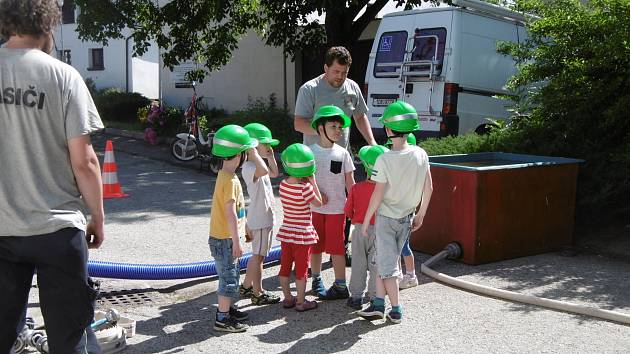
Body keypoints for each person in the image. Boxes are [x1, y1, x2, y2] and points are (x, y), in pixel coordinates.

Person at [0, 1, 105, 352]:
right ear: (49, 24)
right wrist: (98, 218)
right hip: (58, 231)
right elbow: (85, 161)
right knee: (69, 338)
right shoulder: (63, 76)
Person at [357, 101, 433, 324]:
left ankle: (396, 309)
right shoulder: (421, 154)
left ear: (388, 130)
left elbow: (377, 194)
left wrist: (365, 221)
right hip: (408, 218)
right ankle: (378, 304)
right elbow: (429, 187)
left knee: (388, 268)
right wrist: (421, 214)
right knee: (385, 261)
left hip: (386, 219)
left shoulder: (384, 159)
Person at [208, 124, 258, 333]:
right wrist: (236, 242)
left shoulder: (227, 176)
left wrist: (244, 227)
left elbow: (237, 210)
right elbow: (229, 213)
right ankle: (222, 318)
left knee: (231, 275)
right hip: (225, 239)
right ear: (239, 155)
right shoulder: (229, 181)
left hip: (227, 237)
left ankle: (227, 310)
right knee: (228, 278)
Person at [308, 105, 355, 300]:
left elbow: (351, 182)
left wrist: (354, 205)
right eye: (333, 126)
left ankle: (341, 285)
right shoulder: (309, 153)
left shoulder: (343, 153)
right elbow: (303, 181)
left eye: (340, 127)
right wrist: (315, 194)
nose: (338, 130)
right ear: (320, 127)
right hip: (315, 210)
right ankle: (316, 279)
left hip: (337, 210)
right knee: (315, 246)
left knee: (337, 248)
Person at [294, 46, 377, 149]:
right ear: (326, 68)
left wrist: (372, 143)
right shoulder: (309, 89)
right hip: (316, 157)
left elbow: (360, 117)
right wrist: (325, 131)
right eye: (336, 71)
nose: (340, 77)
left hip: (342, 156)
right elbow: (298, 123)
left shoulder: (352, 88)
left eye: (344, 73)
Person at [276, 143, 323, 312]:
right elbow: (319, 203)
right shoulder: (306, 187)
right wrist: (313, 181)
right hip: (303, 235)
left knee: (285, 267)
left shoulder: (282, 185)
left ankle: (288, 298)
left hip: (287, 233)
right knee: (302, 269)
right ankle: (301, 302)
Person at [239, 123, 281, 305]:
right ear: (254, 146)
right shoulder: (249, 167)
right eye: (266, 144)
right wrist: (254, 153)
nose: (270, 147)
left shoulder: (258, 164)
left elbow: (273, 173)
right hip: (260, 219)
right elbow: (263, 171)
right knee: (259, 257)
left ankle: (247, 285)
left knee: (257, 255)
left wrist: (270, 157)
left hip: (264, 217)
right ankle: (258, 292)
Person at [345, 145, 389, 310]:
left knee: (358, 263)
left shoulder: (356, 188)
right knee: (376, 265)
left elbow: (348, 211)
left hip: (359, 230)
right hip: (380, 231)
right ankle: (373, 296)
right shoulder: (386, 191)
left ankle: (356, 297)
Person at [385, 134, 419, 289]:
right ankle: (399, 273)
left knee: (404, 246)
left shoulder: (410, 169)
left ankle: (411, 275)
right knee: (397, 246)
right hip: (399, 211)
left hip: (404, 213)